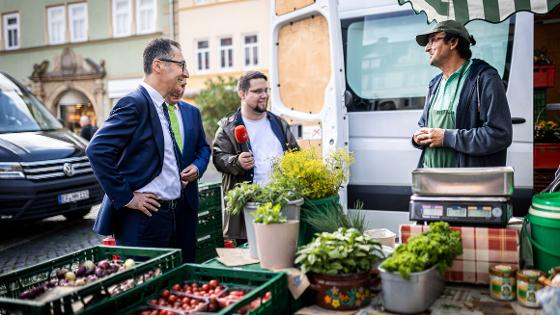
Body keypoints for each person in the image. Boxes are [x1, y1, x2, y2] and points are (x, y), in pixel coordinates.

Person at [87, 38, 208, 262]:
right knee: (146, 288)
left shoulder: (160, 104)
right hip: (144, 220)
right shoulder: (134, 102)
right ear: (158, 65)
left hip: (170, 215)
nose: (186, 73)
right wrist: (126, 197)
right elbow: (97, 150)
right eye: (181, 64)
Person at [412, 20, 512, 168]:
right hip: (431, 179)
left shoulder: (484, 79)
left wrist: (447, 137)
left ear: (453, 42)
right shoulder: (434, 84)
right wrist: (418, 138)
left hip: (466, 182)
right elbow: (424, 125)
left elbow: (499, 135)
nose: (427, 48)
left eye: (433, 40)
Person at [212, 71, 299, 241]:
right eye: (258, 91)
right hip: (248, 209)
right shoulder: (227, 127)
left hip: (281, 204)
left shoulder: (279, 123)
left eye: (266, 90)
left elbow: (295, 154)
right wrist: (236, 161)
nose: (264, 95)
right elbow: (218, 158)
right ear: (242, 94)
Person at [164, 80, 211, 262]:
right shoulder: (154, 112)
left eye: (183, 86)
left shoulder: (192, 112)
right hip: (160, 203)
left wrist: (197, 167)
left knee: (188, 256)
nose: (179, 90)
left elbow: (204, 148)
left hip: (188, 201)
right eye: (175, 85)